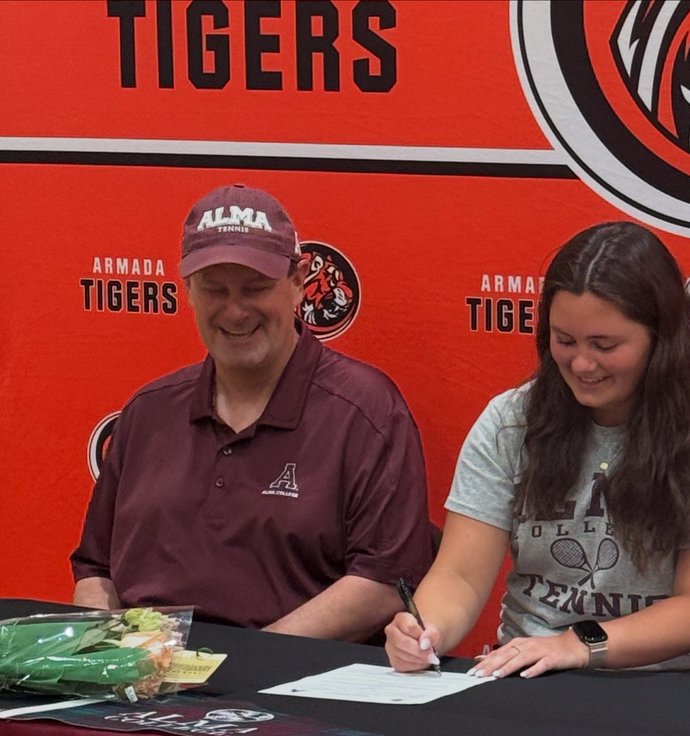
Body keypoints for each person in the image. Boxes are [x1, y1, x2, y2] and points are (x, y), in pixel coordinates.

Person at [385, 221, 690, 679]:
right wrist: (424, 631)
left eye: (604, 345)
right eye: (565, 341)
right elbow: (460, 576)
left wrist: (576, 644)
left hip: (676, 683)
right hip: (534, 675)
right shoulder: (512, 421)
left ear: (661, 339)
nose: (582, 363)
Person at [71, 183, 432, 640]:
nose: (235, 311)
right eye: (214, 290)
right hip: (147, 669)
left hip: (294, 673)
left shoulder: (366, 411)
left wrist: (249, 660)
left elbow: (384, 582)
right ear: (188, 291)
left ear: (298, 283)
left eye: (255, 288)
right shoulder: (148, 412)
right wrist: (111, 653)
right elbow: (95, 569)